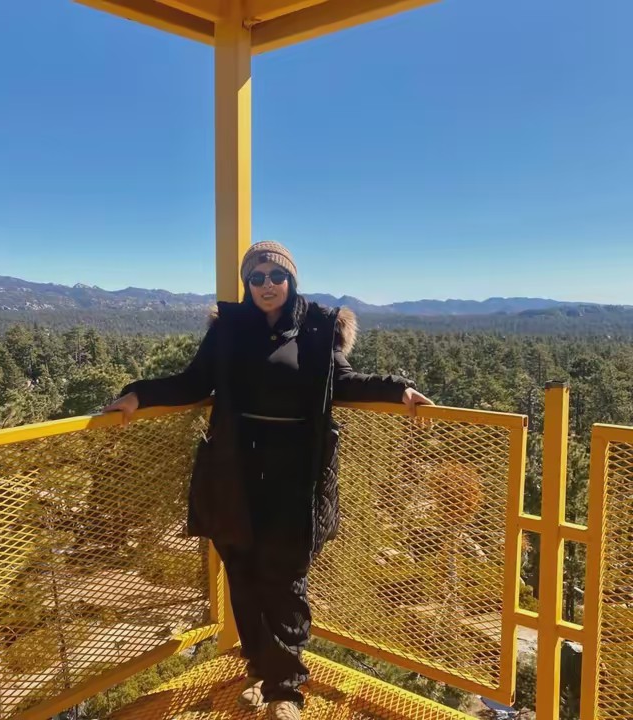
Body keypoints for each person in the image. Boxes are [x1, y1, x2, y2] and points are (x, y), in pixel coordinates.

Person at [103, 241, 434, 720]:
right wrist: (137, 396)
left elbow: (343, 381)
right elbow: (194, 381)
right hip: (234, 465)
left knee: (285, 574)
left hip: (295, 470)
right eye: (256, 278)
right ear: (247, 283)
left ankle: (286, 690)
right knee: (242, 569)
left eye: (276, 276)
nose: (267, 285)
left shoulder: (318, 325)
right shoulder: (229, 327)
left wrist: (398, 390)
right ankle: (260, 670)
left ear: (291, 280)